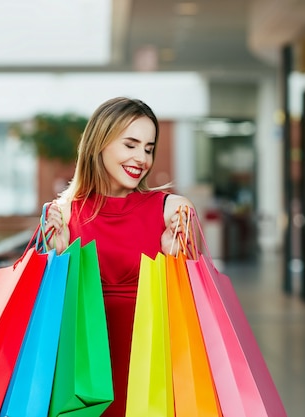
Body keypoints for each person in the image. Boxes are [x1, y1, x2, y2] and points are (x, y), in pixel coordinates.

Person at [44, 96, 195, 416]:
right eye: (130, 144)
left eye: (149, 148)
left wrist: (177, 255)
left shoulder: (171, 209)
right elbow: (49, 310)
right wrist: (55, 256)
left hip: (153, 369)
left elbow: (196, 303)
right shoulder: (63, 212)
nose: (141, 158)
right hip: (83, 375)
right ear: (99, 143)